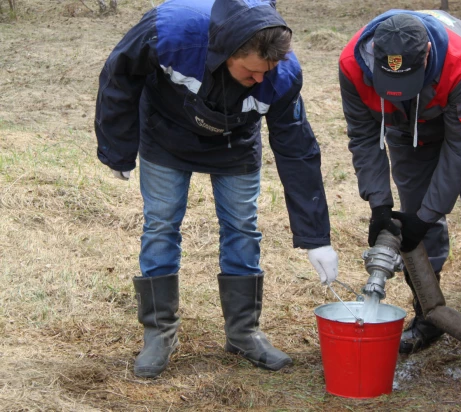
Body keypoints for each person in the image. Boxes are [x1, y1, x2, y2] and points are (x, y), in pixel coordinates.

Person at [95, 0, 339, 378]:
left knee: (242, 226)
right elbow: (119, 75)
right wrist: (117, 149)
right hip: (166, 134)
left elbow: (297, 151)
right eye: (253, 71)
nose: (262, 79)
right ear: (227, 52)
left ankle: (244, 332)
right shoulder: (169, 33)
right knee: (160, 224)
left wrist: (315, 237)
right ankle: (159, 333)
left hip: (235, 142)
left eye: (268, 72)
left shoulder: (281, 74)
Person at [338, 10, 461, 354]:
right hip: (404, 125)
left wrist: (430, 213)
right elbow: (363, 137)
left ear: (427, 55)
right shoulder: (352, 65)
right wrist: (380, 205)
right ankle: (428, 314)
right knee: (414, 208)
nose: (398, 92)